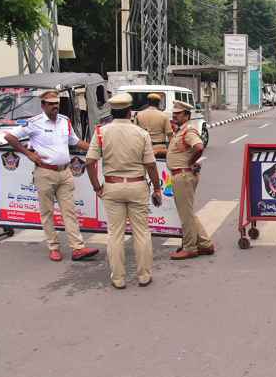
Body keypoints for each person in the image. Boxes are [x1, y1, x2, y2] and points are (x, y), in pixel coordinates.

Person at [4, 90, 99, 263]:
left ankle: (78, 248)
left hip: (65, 172)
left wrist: (97, 149)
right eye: (50, 104)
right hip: (45, 173)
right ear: (43, 105)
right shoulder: (34, 122)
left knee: (69, 211)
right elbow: (9, 137)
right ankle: (53, 248)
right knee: (47, 212)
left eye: (57, 103)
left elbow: (75, 142)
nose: (55, 106)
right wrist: (28, 154)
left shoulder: (65, 121)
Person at [85, 92, 162, 289]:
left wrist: (96, 186)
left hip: (112, 186)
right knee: (142, 232)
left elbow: (90, 161)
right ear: (130, 112)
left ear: (111, 112)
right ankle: (144, 275)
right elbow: (151, 165)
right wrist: (157, 188)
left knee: (115, 234)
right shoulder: (141, 133)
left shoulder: (101, 132)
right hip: (137, 186)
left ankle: (118, 278)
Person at [166, 100, 215, 260]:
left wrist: (191, 162)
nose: (175, 116)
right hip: (181, 174)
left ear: (187, 115)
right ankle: (205, 244)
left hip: (183, 175)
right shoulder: (179, 131)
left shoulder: (188, 131)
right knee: (188, 213)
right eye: (173, 114)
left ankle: (190, 247)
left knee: (185, 215)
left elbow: (199, 147)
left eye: (178, 114)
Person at [134, 92, 173, 157]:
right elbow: (170, 135)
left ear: (148, 102)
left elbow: (135, 133)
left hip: (144, 148)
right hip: (160, 149)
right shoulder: (164, 116)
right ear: (158, 103)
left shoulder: (139, 115)